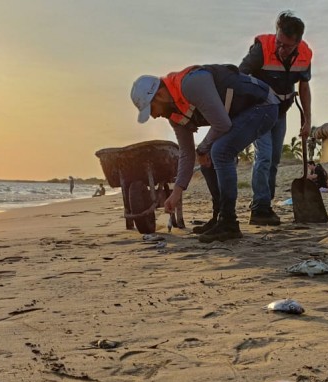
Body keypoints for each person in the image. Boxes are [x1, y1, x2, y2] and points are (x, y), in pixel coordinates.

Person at [130, 64, 279, 243]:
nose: (153, 116)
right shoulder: (175, 117)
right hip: (241, 115)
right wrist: (176, 192)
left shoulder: (191, 84)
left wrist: (202, 148)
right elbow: (186, 154)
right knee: (207, 158)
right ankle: (219, 217)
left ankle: (229, 221)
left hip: (263, 106)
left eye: (151, 109)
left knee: (220, 151)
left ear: (160, 95)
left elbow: (222, 124)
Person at [239, 11, 312, 226]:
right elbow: (240, 76)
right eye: (278, 42)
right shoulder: (261, 48)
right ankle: (259, 207)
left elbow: (304, 87)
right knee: (264, 156)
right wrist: (259, 96)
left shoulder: (305, 55)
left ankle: (265, 203)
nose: (280, 48)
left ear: (297, 43)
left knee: (275, 159)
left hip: (280, 113)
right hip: (258, 110)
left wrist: (307, 120)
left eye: (287, 46)